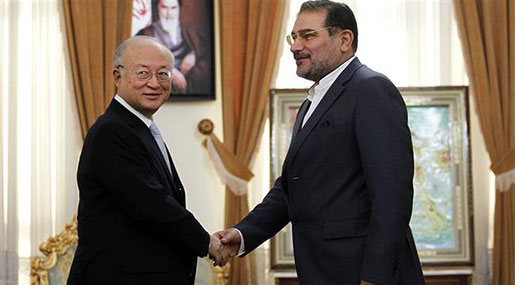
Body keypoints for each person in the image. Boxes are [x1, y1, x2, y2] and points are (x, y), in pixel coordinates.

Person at [215, 1, 425, 284]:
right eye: (293, 37)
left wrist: (376, 277)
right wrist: (242, 235)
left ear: (344, 40)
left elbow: (392, 196)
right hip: (325, 270)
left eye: (308, 35)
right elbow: (292, 187)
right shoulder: (312, 102)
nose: (294, 46)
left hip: (362, 273)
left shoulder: (371, 89)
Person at [67, 36, 228, 285]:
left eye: (163, 74)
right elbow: (153, 204)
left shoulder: (138, 127)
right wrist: (207, 242)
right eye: (142, 73)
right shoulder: (112, 131)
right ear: (117, 77)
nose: (154, 83)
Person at [136, 0, 194, 94]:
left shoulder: (188, 30)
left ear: (179, 9)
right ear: (157, 8)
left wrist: (192, 55)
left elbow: (200, 50)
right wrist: (169, 70)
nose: (169, 13)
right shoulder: (145, 33)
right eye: (164, 7)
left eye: (173, 8)